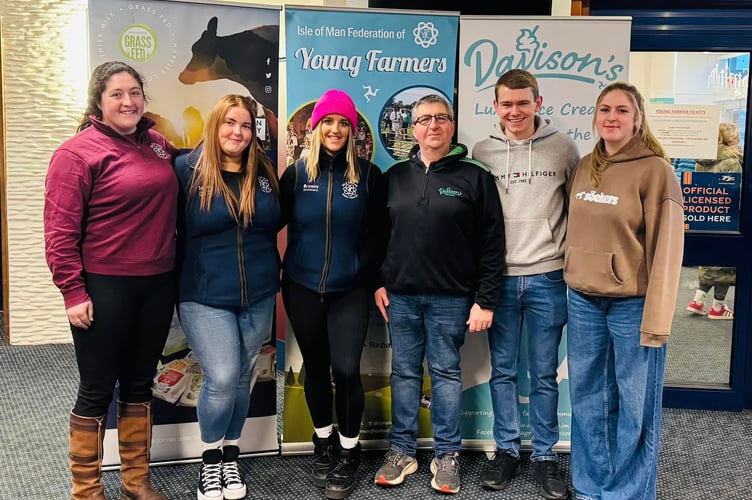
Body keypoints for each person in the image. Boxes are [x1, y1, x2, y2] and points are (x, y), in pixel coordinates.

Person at [44, 61, 179, 500]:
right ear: (99, 102)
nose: (128, 101)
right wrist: (72, 292)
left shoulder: (158, 145)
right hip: (105, 287)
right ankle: (86, 489)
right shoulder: (76, 154)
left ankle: (136, 481)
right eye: (117, 94)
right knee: (98, 387)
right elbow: (60, 232)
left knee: (141, 383)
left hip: (157, 284)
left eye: (135, 92)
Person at [373, 94, 505, 495]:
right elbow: (378, 237)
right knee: (405, 372)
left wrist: (486, 298)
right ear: (412, 129)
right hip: (401, 296)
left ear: (451, 126)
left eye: (441, 118)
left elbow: (492, 243)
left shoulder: (475, 176)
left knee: (446, 374)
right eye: (424, 119)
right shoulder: (393, 176)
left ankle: (446, 455)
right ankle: (402, 450)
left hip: (452, 298)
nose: (433, 125)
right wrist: (379, 281)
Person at [564, 81, 684, 500]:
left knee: (635, 402)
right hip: (583, 299)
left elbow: (667, 252)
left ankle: (628, 493)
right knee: (587, 397)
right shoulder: (584, 165)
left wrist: (658, 321)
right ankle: (591, 484)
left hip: (633, 304)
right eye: (604, 110)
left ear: (637, 119)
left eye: (622, 110)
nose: (611, 117)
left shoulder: (656, 171)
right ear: (595, 117)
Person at [471, 69, 579, 499]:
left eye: (523, 102)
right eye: (506, 103)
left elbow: (578, 210)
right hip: (499, 279)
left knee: (544, 375)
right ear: (495, 106)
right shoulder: (483, 151)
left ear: (538, 102)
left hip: (549, 276)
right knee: (503, 371)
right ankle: (507, 450)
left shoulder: (563, 150)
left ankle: (546, 456)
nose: (514, 111)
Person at [280, 89, 386, 500]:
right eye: (329, 122)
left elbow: (379, 233)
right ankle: (323, 441)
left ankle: (349, 449)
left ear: (352, 130)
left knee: (345, 370)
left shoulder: (369, 176)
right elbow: (276, 223)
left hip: (350, 289)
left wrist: (368, 274)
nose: (336, 129)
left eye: (343, 123)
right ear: (316, 127)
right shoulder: (295, 175)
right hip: (302, 286)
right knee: (315, 366)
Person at [174, 94, 280, 500]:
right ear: (215, 124)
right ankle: (210, 461)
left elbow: (277, 221)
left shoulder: (264, 170)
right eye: (230, 123)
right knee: (219, 377)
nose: (238, 132)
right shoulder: (187, 169)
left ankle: (231, 455)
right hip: (203, 293)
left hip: (258, 292)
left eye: (247, 125)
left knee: (242, 377)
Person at [686, 122, 742, 320]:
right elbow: (736, 191)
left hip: (708, 213)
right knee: (725, 263)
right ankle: (717, 307)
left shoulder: (702, 159)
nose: (737, 137)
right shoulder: (732, 161)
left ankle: (698, 300)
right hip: (727, 215)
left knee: (711, 261)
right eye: (734, 135)